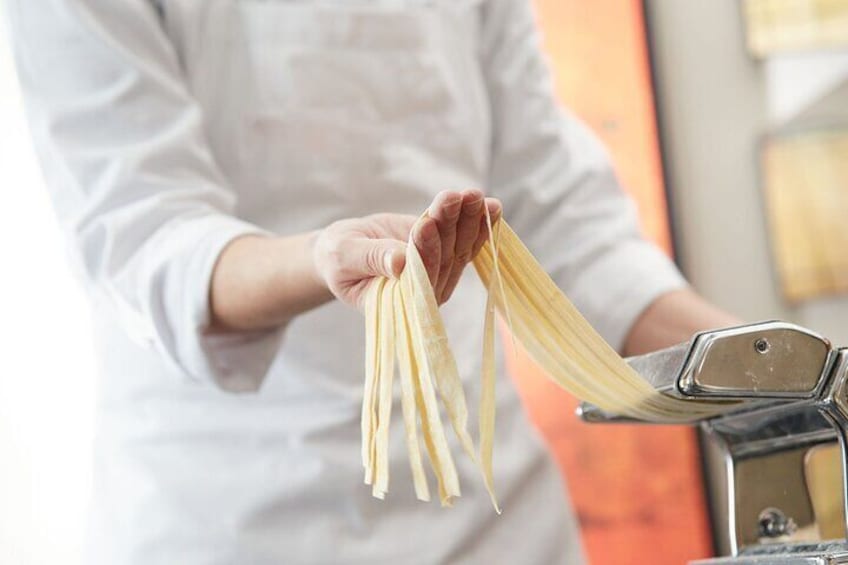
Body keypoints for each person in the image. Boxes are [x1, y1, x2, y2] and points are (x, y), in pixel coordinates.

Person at [6, 0, 737, 563]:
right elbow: (145, 238)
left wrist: (787, 370)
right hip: (228, 518)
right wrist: (319, 258)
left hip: (492, 523)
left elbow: (565, 221)